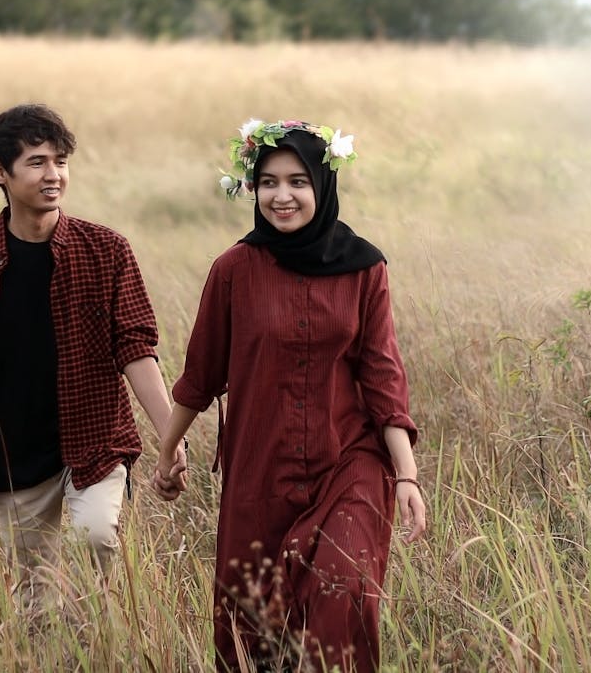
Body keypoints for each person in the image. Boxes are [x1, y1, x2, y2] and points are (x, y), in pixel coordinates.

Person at [153, 119, 428, 671]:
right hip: (260, 471)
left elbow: (382, 376)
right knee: (255, 623)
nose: (282, 196)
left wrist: (406, 474)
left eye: (298, 181)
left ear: (322, 187)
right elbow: (201, 373)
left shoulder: (365, 269)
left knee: (341, 590)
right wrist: (167, 450)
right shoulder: (234, 269)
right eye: (269, 182)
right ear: (253, 190)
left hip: (348, 463)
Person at [0, 103, 185, 615]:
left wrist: (170, 438)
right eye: (38, 162)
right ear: (1, 172)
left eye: (61, 161)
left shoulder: (106, 249)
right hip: (15, 449)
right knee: (34, 592)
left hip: (94, 438)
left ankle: (103, 636)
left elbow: (136, 348)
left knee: (96, 536)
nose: (54, 175)